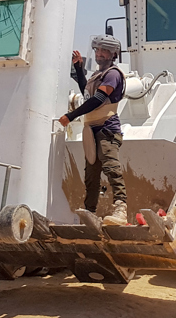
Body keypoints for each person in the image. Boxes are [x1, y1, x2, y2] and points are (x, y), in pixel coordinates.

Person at [58, 35, 128, 225]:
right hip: (92, 131)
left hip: (106, 129)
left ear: (113, 54)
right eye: (97, 50)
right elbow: (87, 93)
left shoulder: (113, 74)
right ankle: (90, 211)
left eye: (103, 50)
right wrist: (80, 69)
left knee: (111, 167)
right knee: (91, 175)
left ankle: (121, 208)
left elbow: (97, 99)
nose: (99, 53)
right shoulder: (97, 76)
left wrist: (70, 116)